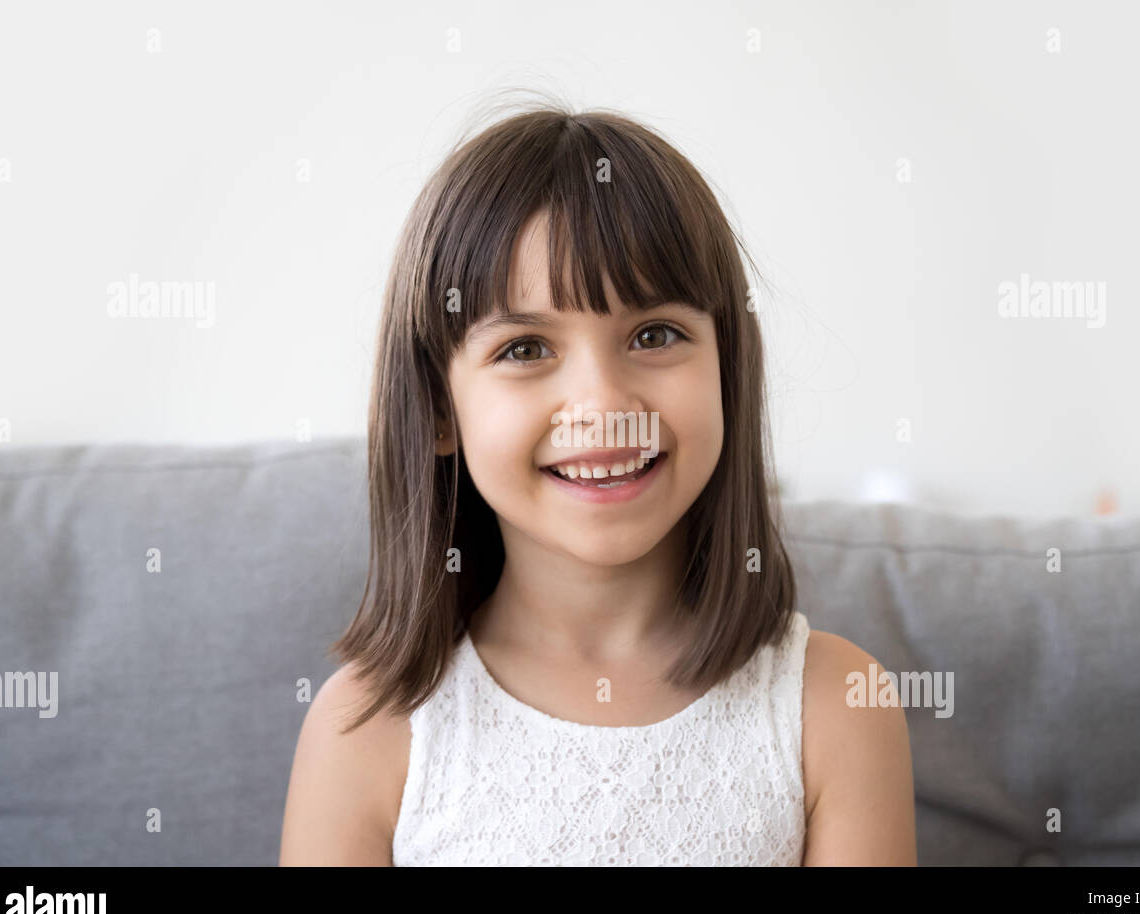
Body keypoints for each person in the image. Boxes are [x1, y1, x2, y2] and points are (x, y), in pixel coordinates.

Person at [279, 100, 916, 866]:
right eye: (524, 349)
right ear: (440, 411)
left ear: (727, 371)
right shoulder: (368, 729)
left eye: (654, 335)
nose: (604, 408)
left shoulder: (838, 705)